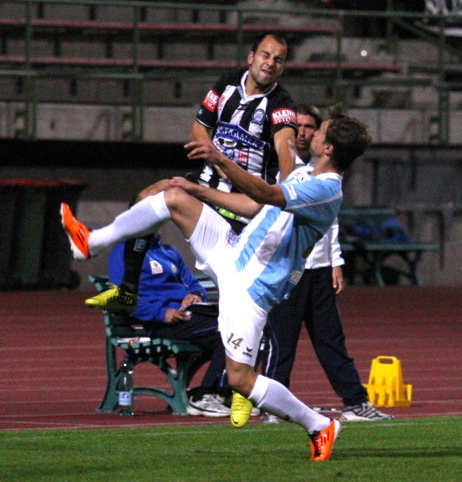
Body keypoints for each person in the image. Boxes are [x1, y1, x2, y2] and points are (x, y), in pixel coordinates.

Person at [61, 104, 372, 461]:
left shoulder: (326, 189)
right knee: (175, 197)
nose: (311, 134)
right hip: (234, 253)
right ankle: (91, 240)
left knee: (240, 379)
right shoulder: (303, 174)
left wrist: (220, 159)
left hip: (251, 289)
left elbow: (268, 195)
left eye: (320, 131)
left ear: (329, 148)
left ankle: (319, 425)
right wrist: (200, 192)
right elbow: (257, 207)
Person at [84, 32, 297, 312]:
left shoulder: (281, 106)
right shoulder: (228, 83)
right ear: (251, 57)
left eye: (278, 60)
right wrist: (214, 155)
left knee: (170, 195)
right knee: (146, 197)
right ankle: (128, 289)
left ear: (282, 68)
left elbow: (286, 148)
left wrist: (286, 188)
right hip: (208, 185)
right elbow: (198, 128)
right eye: (265, 55)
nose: (270, 63)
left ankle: (95, 244)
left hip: (242, 204)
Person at [260, 105, 393, 424]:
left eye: (312, 128)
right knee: (282, 341)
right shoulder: (293, 173)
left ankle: (355, 402)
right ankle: (273, 408)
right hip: (289, 270)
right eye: (301, 126)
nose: (306, 133)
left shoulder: (324, 177)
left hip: (318, 270)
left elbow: (330, 224)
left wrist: (335, 261)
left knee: (330, 338)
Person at [108, 233, 230, 417]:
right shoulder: (124, 252)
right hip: (162, 325)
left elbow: (193, 283)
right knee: (229, 333)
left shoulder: (169, 251)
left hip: (188, 317)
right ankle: (202, 396)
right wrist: (161, 313)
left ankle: (218, 393)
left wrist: (196, 294)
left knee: (244, 331)